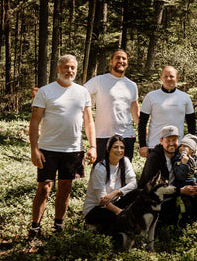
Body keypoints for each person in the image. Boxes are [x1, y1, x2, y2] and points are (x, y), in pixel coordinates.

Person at [28, 54, 97, 238]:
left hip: (73, 150)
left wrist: (93, 146)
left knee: (65, 188)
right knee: (44, 189)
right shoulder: (45, 91)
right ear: (58, 69)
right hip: (48, 149)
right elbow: (34, 122)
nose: (69, 71)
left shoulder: (82, 92)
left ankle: (58, 225)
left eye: (73, 67)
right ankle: (35, 228)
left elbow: (89, 121)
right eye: (66, 67)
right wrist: (34, 149)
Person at [138, 126, 197, 227]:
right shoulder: (154, 158)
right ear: (161, 141)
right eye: (168, 140)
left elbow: (195, 169)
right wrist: (180, 191)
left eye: (174, 140)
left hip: (173, 190)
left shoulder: (179, 154)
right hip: (153, 196)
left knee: (195, 198)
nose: (171, 143)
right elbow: (152, 188)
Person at [84, 49, 139, 160]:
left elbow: (135, 110)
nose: (121, 60)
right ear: (111, 62)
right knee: (101, 172)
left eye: (124, 58)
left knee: (124, 172)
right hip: (103, 136)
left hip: (126, 136)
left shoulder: (132, 85)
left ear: (127, 62)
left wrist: (144, 130)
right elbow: (78, 92)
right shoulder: (99, 80)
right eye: (117, 58)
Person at [83, 135, 139, 235]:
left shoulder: (125, 161)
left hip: (114, 201)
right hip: (95, 209)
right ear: (108, 149)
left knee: (139, 193)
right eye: (115, 147)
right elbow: (102, 201)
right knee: (118, 220)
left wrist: (116, 192)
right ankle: (95, 227)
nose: (119, 150)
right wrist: (120, 212)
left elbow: (133, 183)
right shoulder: (100, 168)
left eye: (122, 147)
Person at [138, 66, 196, 157]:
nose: (168, 79)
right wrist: (142, 145)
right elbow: (142, 123)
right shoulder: (151, 96)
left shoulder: (185, 97)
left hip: (178, 146)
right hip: (155, 145)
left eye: (171, 76)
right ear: (161, 78)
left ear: (177, 78)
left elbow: (192, 124)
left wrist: (191, 145)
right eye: (165, 76)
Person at [173, 134, 197, 226]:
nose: (181, 148)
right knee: (186, 209)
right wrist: (183, 163)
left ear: (192, 151)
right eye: (181, 146)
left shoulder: (196, 160)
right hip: (184, 190)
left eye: (185, 146)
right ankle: (185, 225)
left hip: (195, 189)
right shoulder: (178, 160)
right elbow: (180, 176)